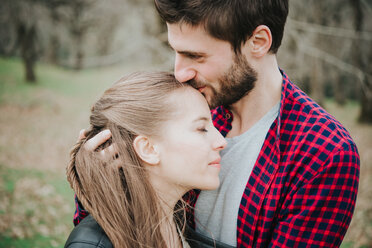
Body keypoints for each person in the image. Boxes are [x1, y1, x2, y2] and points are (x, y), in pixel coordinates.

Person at [74, 1, 360, 247]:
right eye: (176, 51)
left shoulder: (324, 154)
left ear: (258, 42)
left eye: (195, 56)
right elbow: (109, 227)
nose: (180, 73)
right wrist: (100, 183)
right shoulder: (186, 106)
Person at [64, 71, 227, 248]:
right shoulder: (91, 245)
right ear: (148, 149)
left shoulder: (179, 228)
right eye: (201, 128)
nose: (222, 141)